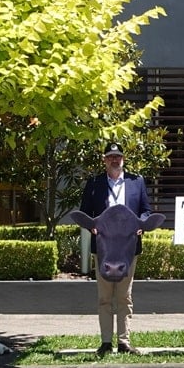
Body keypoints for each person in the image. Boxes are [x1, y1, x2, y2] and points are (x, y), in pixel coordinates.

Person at [79, 141, 152, 357]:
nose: (114, 159)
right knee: (104, 297)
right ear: (104, 160)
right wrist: (92, 227)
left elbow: (146, 211)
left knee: (124, 296)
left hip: (128, 250)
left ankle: (124, 341)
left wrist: (141, 225)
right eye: (110, 156)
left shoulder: (136, 182)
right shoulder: (94, 183)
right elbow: (85, 213)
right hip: (103, 249)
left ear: (123, 159)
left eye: (118, 156)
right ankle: (104, 342)